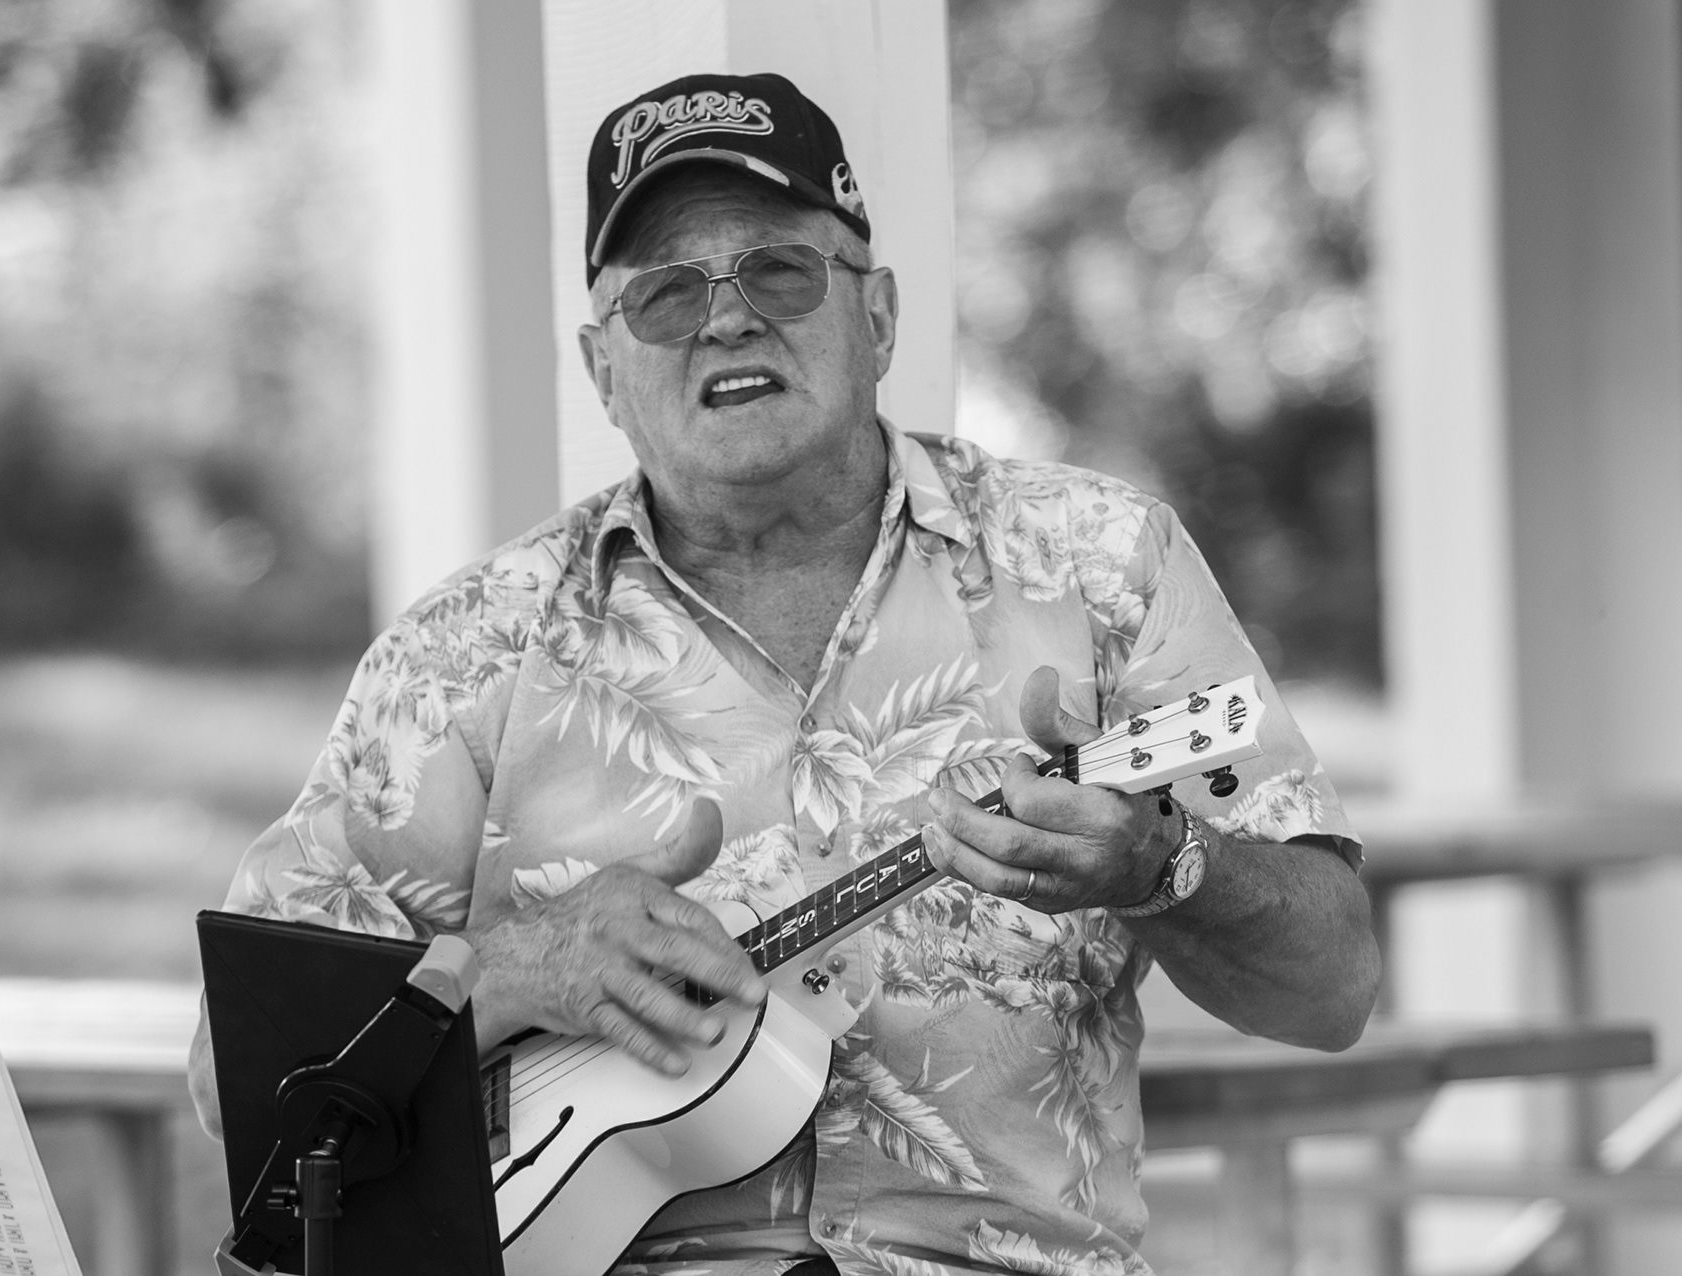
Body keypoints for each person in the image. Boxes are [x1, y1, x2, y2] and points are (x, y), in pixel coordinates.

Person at [190, 71, 1379, 1276]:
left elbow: (1330, 987)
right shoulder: (471, 648)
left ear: (878, 318)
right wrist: (512, 970)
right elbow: (238, 1080)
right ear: (603, 369)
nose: (726, 320)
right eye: (665, 295)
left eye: (779, 271)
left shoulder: (1100, 569)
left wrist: (1165, 865)